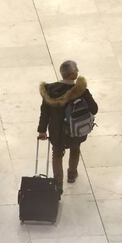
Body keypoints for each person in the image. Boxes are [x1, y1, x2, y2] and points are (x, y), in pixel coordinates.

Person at [37, 60, 98, 195]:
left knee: (57, 154)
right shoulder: (81, 91)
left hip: (57, 132)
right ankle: (71, 174)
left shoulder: (49, 91)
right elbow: (94, 109)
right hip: (75, 132)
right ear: (72, 75)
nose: (78, 71)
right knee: (75, 150)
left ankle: (58, 185)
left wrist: (42, 130)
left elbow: (44, 112)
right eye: (76, 70)